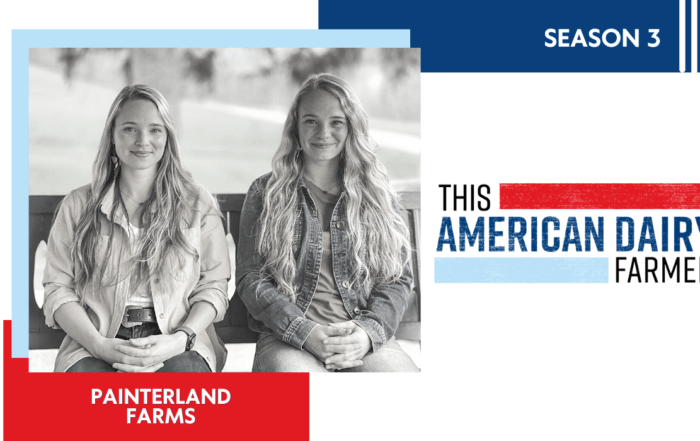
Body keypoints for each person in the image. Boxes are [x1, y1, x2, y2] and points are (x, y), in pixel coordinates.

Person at [237, 73, 419, 372]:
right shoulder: (266, 193)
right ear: (295, 127)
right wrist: (303, 331)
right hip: (289, 338)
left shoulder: (377, 194)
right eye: (311, 121)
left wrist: (367, 333)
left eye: (336, 122)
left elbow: (397, 279)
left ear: (351, 127)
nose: (323, 132)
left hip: (360, 335)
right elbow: (251, 278)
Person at [43, 84, 230, 372]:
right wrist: (98, 345)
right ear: (112, 136)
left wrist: (180, 340)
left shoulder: (196, 203)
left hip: (176, 341)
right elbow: (58, 289)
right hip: (97, 339)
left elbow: (213, 287)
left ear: (167, 137)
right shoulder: (79, 205)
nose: (143, 140)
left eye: (155, 130)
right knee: (82, 403)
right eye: (130, 128)